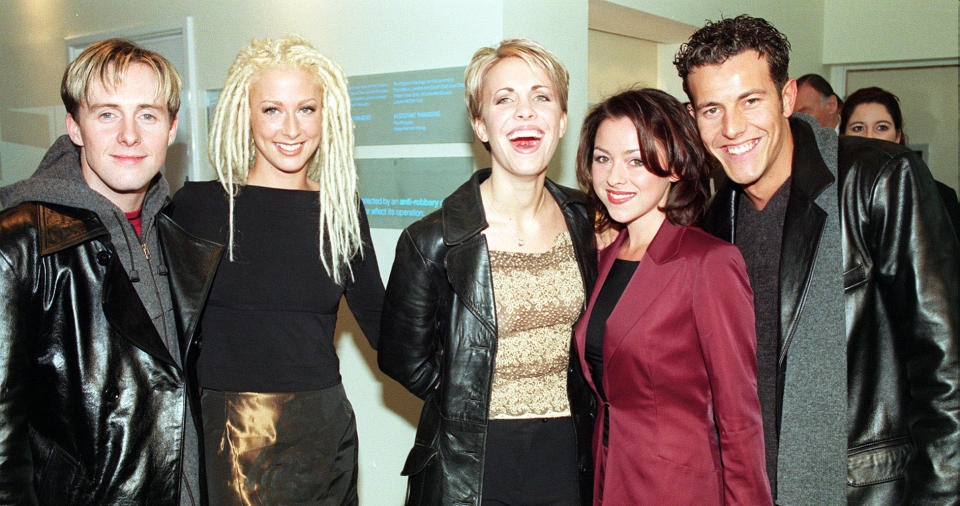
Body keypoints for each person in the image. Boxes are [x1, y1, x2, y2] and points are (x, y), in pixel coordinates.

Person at [676, 15, 959, 505]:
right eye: (712, 110)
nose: (733, 128)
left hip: (864, 491)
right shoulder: (710, 219)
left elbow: (946, 374)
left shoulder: (878, 181)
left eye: (750, 100)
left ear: (786, 98)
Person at [0, 39, 221, 504]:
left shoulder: (175, 234)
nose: (129, 135)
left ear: (171, 128)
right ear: (75, 127)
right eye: (106, 114)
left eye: (147, 114)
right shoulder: (20, 243)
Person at [377, 39, 597, 505]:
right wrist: (465, 394)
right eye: (504, 99)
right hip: (470, 459)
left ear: (560, 121)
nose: (524, 112)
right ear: (480, 124)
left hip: (567, 450)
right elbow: (402, 358)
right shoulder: (431, 239)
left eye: (541, 97)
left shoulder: (587, 220)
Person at [167, 35, 383, 504]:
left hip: (325, 429)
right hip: (235, 431)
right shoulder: (199, 207)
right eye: (271, 110)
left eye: (306, 109)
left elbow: (387, 328)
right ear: (244, 114)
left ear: (328, 117)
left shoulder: (342, 211)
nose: (291, 128)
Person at [573, 88, 771, 505]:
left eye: (636, 160)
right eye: (602, 158)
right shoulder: (603, 258)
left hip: (678, 490)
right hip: (608, 479)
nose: (614, 177)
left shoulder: (709, 263)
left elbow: (739, 418)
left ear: (675, 168)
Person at [840, 86, 960, 238]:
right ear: (843, 137)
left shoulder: (939, 196)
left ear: (897, 136)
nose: (869, 137)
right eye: (858, 128)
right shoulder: (829, 197)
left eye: (881, 127)